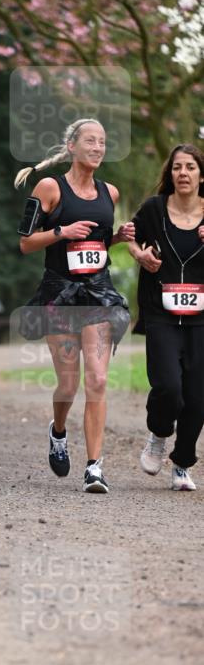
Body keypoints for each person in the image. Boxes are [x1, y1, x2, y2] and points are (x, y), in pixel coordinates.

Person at [15, 118, 134, 493]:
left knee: (97, 378)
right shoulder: (50, 187)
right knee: (68, 383)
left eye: (102, 142)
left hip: (98, 294)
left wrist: (116, 237)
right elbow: (25, 243)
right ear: (72, 147)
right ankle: (59, 431)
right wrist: (60, 232)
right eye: (90, 141)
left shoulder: (109, 193)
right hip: (60, 295)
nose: (98, 148)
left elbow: (96, 245)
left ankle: (95, 467)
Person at [128, 143, 204, 491]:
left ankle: (182, 464)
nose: (183, 173)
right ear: (169, 174)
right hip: (161, 312)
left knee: (198, 397)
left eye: (190, 167)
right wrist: (140, 255)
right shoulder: (154, 209)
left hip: (202, 318)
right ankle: (159, 433)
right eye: (177, 167)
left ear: (201, 174)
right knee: (169, 388)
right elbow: (130, 238)